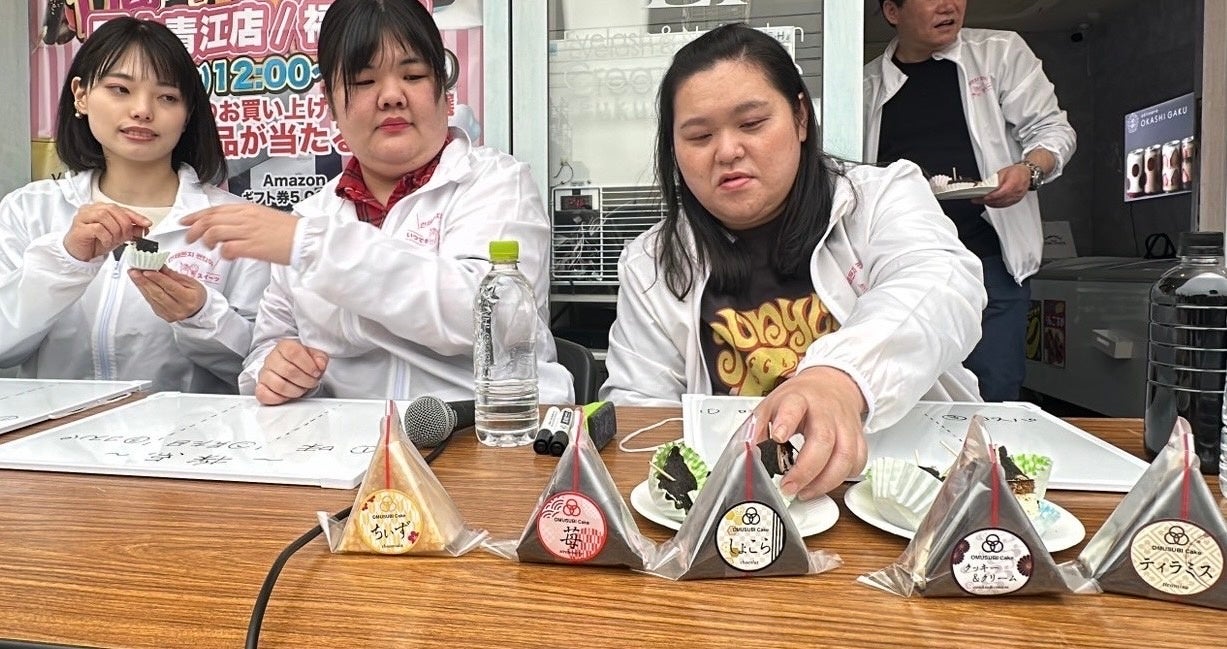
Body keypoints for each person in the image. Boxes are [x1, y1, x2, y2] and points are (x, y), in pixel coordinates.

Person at [599, 24, 986, 500]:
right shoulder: (653, 262)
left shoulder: (880, 198)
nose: (727, 151)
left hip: (907, 487)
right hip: (737, 498)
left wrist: (840, 378)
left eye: (752, 124)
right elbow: (641, 415)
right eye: (699, 136)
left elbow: (942, 285)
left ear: (800, 117)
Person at [182, 0, 573, 405]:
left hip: (486, 430)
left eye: (413, 75)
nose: (391, 96)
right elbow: (270, 343)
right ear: (330, 102)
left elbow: (491, 317)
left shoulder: (498, 183)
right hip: (344, 437)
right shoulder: (313, 214)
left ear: (443, 89)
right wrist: (277, 369)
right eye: (365, 81)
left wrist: (316, 249)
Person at [0, 17, 268, 393]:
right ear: (80, 95)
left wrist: (201, 315)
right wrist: (65, 261)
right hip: (56, 430)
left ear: (188, 113)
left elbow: (263, 366)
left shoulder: (237, 225)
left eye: (167, 97)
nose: (142, 110)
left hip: (188, 431)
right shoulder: (29, 211)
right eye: (120, 89)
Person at [864, 0, 1077, 401]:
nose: (949, 6)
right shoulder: (866, 86)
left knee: (994, 396)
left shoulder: (1000, 53)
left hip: (990, 260)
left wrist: (1029, 171)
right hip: (902, 267)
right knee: (907, 397)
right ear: (893, 12)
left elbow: (1053, 130)